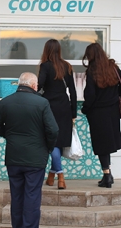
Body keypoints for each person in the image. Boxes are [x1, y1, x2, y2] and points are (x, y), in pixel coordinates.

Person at [0, 72, 58, 228]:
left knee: (17, 197)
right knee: (32, 197)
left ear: (20, 84)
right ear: (34, 86)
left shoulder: (6, 102)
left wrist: (9, 135)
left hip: (13, 157)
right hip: (35, 159)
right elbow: (53, 130)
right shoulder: (42, 103)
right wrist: (47, 147)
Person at [81, 43, 121, 188]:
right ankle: (108, 173)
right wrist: (115, 97)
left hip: (97, 112)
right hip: (112, 111)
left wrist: (85, 109)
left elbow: (90, 95)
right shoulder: (112, 67)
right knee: (108, 143)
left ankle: (107, 175)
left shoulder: (92, 71)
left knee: (102, 144)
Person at [38, 39, 77, 190]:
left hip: (49, 106)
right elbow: (72, 91)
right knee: (58, 142)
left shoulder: (45, 66)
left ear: (46, 50)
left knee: (52, 142)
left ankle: (60, 175)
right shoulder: (66, 66)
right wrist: (73, 112)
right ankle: (52, 175)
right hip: (64, 106)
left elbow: (39, 85)